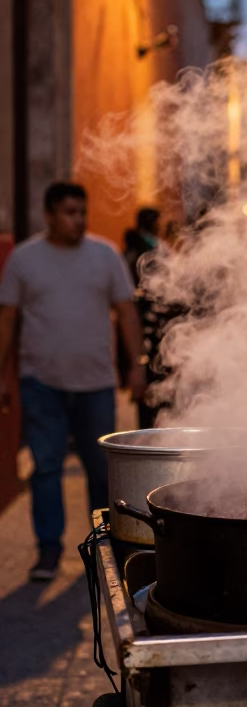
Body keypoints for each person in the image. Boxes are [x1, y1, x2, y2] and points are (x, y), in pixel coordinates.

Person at [0, 181, 146, 581]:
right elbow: (7, 319)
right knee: (45, 467)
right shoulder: (25, 259)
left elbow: (126, 312)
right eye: (68, 212)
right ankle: (48, 551)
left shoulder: (105, 255)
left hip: (96, 384)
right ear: (49, 215)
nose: (78, 220)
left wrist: (137, 365)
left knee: (100, 470)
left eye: (81, 212)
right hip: (40, 382)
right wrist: (3, 376)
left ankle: (103, 549)